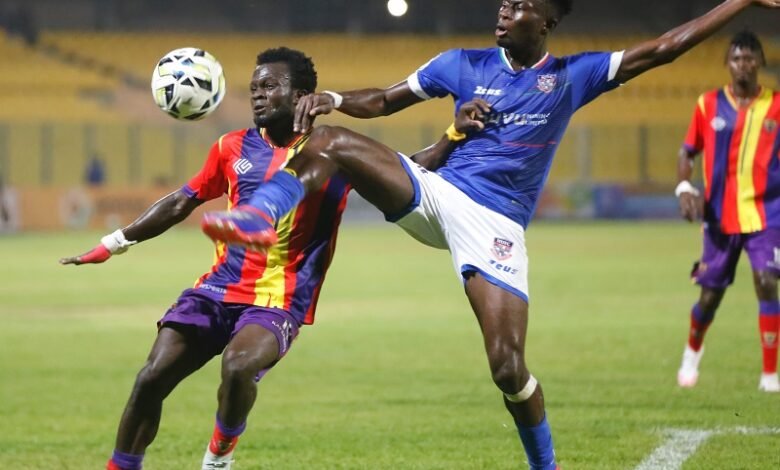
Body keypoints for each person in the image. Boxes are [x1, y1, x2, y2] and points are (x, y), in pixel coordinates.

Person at [202, 1, 780, 468]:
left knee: (508, 368)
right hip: (436, 193)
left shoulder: (570, 77)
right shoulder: (462, 63)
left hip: (496, 225)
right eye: (503, 3)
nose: (504, 10)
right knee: (329, 141)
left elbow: (664, 49)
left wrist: (740, 1)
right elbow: (384, 100)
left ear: (546, 20)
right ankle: (262, 214)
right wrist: (332, 99)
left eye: (519, 4)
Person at [60, 47, 354, 470]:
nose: (257, 95)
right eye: (253, 87)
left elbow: (399, 173)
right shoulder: (231, 146)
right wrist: (113, 243)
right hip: (216, 290)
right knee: (151, 377)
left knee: (237, 368)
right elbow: (182, 201)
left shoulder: (335, 152)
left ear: (303, 96)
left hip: (277, 299)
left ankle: (219, 454)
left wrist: (452, 140)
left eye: (269, 86)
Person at [675, 30, 780, 393]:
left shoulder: (777, 105)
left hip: (767, 215)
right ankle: (693, 349)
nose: (744, 65)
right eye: (737, 58)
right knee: (710, 297)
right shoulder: (707, 104)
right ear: (727, 64)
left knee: (767, 282)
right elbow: (687, 152)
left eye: (750, 58)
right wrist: (685, 186)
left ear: (760, 63)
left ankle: (769, 375)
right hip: (719, 218)